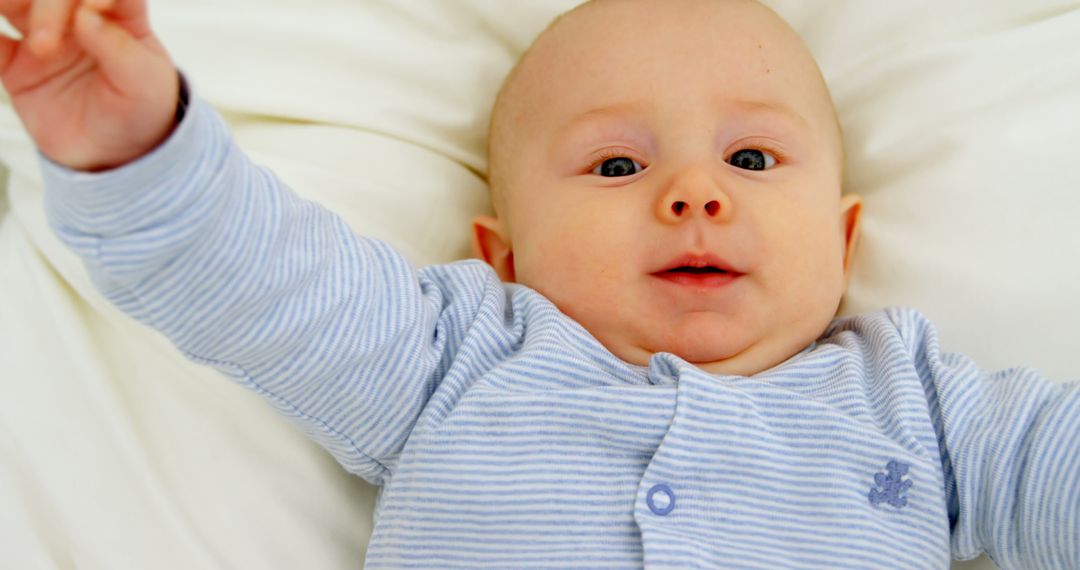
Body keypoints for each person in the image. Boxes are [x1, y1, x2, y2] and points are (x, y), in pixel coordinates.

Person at [1, 0, 1076, 567]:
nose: (694, 193)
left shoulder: (924, 409)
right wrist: (138, 150)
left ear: (841, 244)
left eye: (753, 160)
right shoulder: (456, 360)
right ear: (503, 255)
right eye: (617, 166)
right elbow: (262, 284)